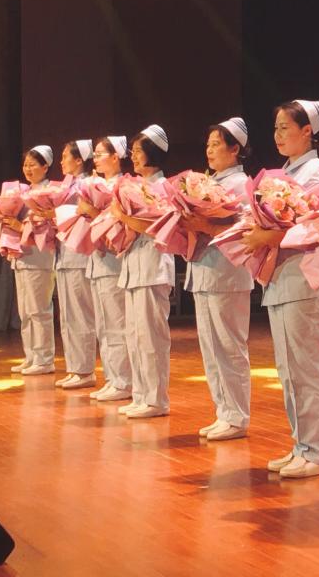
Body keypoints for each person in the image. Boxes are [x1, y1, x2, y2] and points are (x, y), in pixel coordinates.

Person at [243, 99, 319, 478]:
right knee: (288, 369)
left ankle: (316, 451)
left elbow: (310, 228)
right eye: (276, 128)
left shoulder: (316, 173)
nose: (278, 134)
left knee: (308, 368)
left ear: (308, 131)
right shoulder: (283, 173)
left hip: (307, 279)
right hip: (283, 277)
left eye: (286, 127)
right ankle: (302, 444)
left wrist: (266, 235)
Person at [184, 118, 254, 441]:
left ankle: (237, 415)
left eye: (216, 144)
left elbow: (243, 229)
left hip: (228, 273)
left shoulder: (240, 183)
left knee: (229, 346)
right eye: (208, 145)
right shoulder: (208, 182)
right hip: (204, 270)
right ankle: (223, 411)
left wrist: (204, 225)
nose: (209, 150)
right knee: (211, 347)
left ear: (235, 148)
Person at [113, 125, 175, 419]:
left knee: (152, 338)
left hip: (153, 267)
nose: (133, 157)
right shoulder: (135, 186)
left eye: (138, 151)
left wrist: (122, 217)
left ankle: (156, 399)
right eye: (133, 151)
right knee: (135, 335)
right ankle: (140, 395)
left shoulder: (164, 188)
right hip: (133, 266)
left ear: (153, 153)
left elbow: (157, 228)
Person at [0, 146, 57, 376]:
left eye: (33, 165)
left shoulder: (50, 193)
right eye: (25, 165)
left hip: (39, 257)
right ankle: (31, 355)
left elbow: (47, 229)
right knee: (25, 310)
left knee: (39, 309)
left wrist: (19, 226)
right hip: (21, 256)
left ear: (45, 166)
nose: (28, 169)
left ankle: (44, 359)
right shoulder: (21, 193)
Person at [84, 136, 134, 403]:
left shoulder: (124, 187)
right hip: (98, 260)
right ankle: (112, 378)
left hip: (114, 261)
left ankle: (124, 381)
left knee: (117, 323)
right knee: (103, 325)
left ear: (116, 157)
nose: (95, 158)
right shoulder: (96, 185)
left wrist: (91, 211)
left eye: (100, 154)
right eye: (94, 154)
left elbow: (118, 222)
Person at [53, 140, 98, 390]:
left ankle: (85, 370)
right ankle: (74, 367)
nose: (61, 162)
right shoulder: (66, 185)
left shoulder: (87, 185)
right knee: (68, 316)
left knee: (81, 314)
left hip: (79, 256)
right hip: (64, 255)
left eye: (65, 157)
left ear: (79, 160)